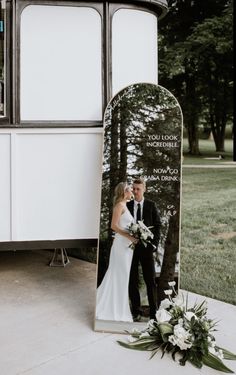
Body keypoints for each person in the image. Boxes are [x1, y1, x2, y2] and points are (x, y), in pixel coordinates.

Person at [96, 182, 138, 322]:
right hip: (121, 246)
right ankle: (111, 308)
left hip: (127, 247)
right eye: (130, 189)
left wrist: (135, 235)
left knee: (123, 277)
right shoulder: (119, 205)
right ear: (124, 192)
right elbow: (114, 226)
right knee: (118, 274)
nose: (132, 191)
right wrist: (129, 236)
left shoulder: (125, 205)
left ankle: (120, 308)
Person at [127, 177, 161, 321]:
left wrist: (154, 245)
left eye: (138, 189)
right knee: (132, 280)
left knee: (150, 280)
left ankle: (154, 313)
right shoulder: (127, 206)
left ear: (144, 189)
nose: (135, 191)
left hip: (147, 249)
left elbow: (158, 226)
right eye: (133, 189)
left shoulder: (151, 205)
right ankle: (136, 311)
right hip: (131, 248)